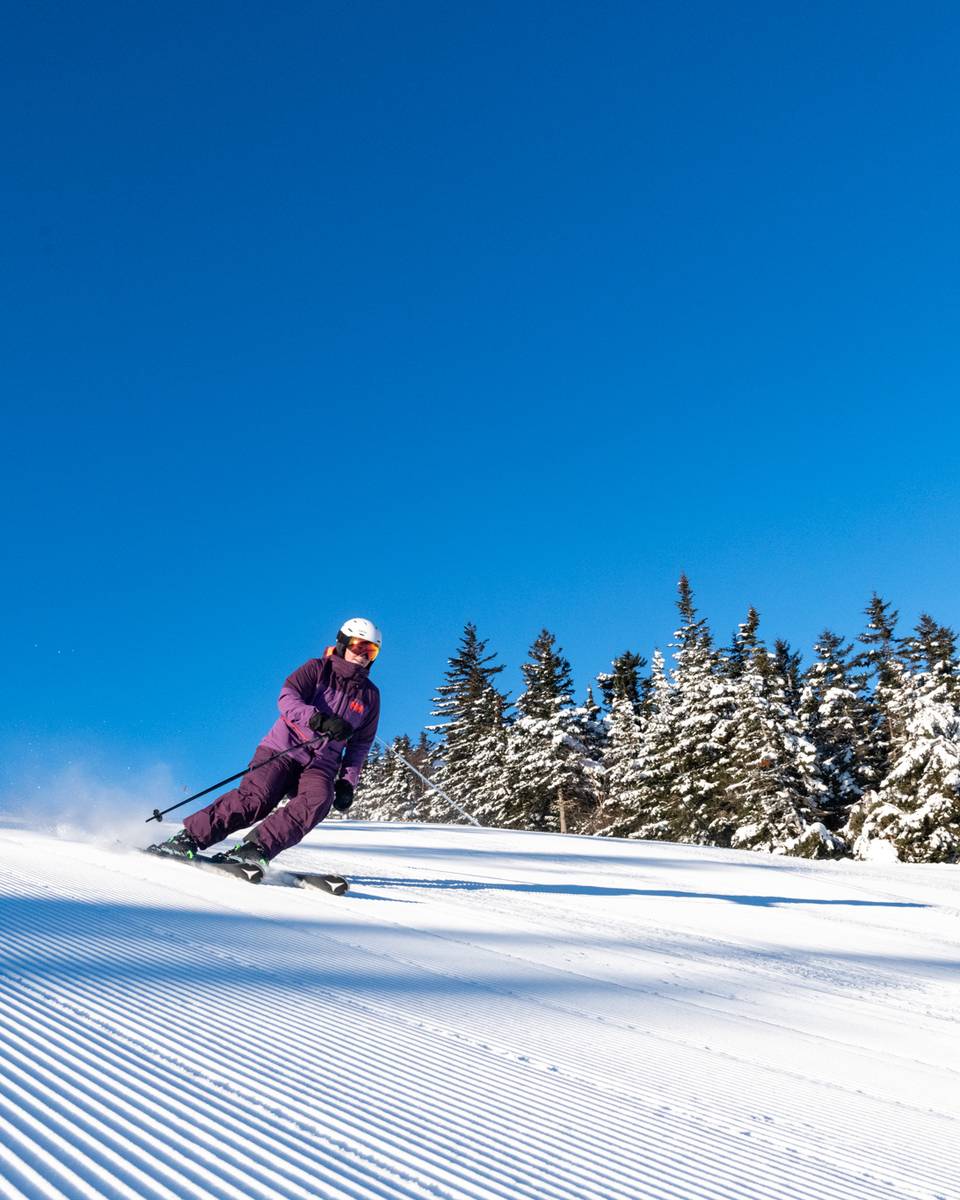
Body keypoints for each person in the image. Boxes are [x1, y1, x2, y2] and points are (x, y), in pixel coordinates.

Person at [147, 617, 382, 879]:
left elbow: (361, 745)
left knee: (318, 800)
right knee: (257, 798)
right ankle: (188, 838)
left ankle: (254, 848)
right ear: (342, 643)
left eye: (371, 651)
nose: (363, 655)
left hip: (322, 763)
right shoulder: (316, 669)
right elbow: (287, 699)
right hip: (284, 747)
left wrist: (347, 782)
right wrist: (317, 719)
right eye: (359, 646)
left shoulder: (370, 696)